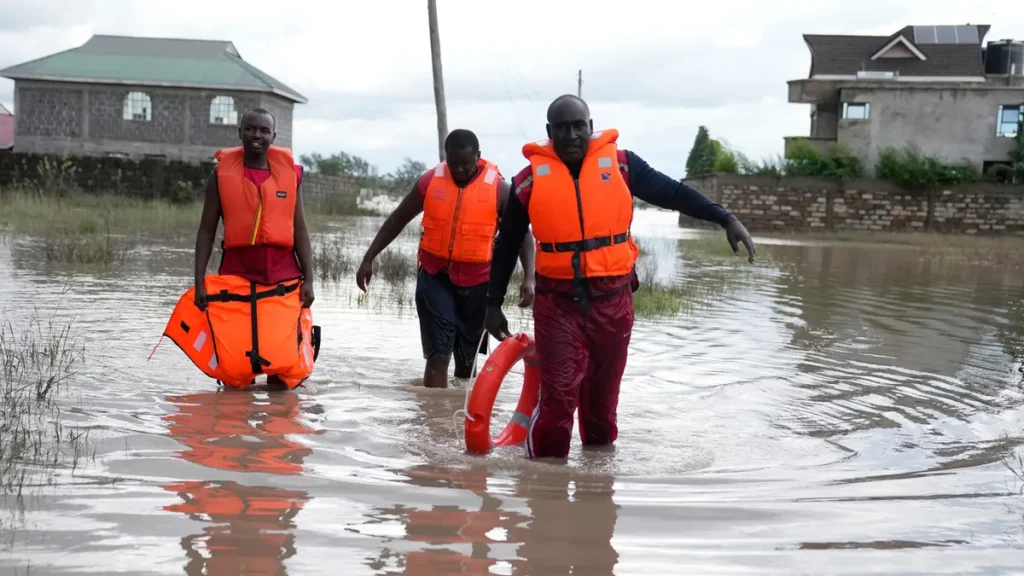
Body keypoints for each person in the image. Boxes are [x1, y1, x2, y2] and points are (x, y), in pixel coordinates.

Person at [484, 95, 756, 459]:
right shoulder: (527, 182)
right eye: (561, 128)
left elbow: (674, 193)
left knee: (601, 405)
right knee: (559, 396)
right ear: (549, 134)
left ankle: (596, 492)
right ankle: (545, 491)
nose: (571, 135)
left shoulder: (624, 166)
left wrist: (725, 217)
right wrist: (491, 303)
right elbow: (507, 246)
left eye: (578, 126)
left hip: (612, 300)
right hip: (557, 304)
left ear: (591, 127)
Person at [356, 129, 536, 389]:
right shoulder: (430, 182)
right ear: (445, 158)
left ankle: (456, 421)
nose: (460, 170)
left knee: (466, 364)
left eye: (466, 164)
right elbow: (398, 218)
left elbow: (522, 236)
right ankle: (433, 423)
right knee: (438, 357)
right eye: (454, 164)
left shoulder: (499, 190)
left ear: (479, 157)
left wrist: (529, 277)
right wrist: (368, 257)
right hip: (434, 276)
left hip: (479, 284)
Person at [191, 107, 316, 390]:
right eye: (250, 129)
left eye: (263, 130)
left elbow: (300, 230)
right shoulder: (220, 175)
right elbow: (207, 231)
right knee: (235, 372)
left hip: (282, 278)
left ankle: (274, 432)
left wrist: (309, 278)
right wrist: (199, 281)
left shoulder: (290, 176)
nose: (256, 135)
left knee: (280, 369)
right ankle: (235, 429)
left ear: (273, 135)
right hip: (236, 276)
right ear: (239, 133)